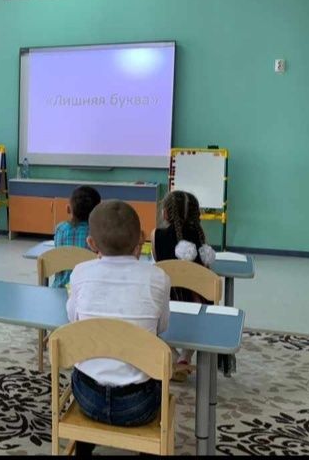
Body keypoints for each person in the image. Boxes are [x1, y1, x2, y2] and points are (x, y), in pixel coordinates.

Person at [66, 200, 170, 455]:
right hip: (139, 404)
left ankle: (84, 446)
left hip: (88, 398)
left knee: (85, 366)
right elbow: (162, 327)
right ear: (142, 239)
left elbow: (72, 320)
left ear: (91, 243)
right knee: (158, 372)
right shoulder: (158, 277)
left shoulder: (80, 272)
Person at [151, 189, 215, 380]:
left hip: (167, 301)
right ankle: (186, 357)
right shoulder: (200, 237)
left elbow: (159, 263)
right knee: (204, 302)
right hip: (197, 305)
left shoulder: (156, 235)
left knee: (152, 318)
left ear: (165, 213)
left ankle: (174, 357)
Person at [52, 185, 101, 288]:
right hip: (87, 290)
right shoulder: (98, 233)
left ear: (68, 209)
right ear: (98, 211)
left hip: (61, 288)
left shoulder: (60, 229)